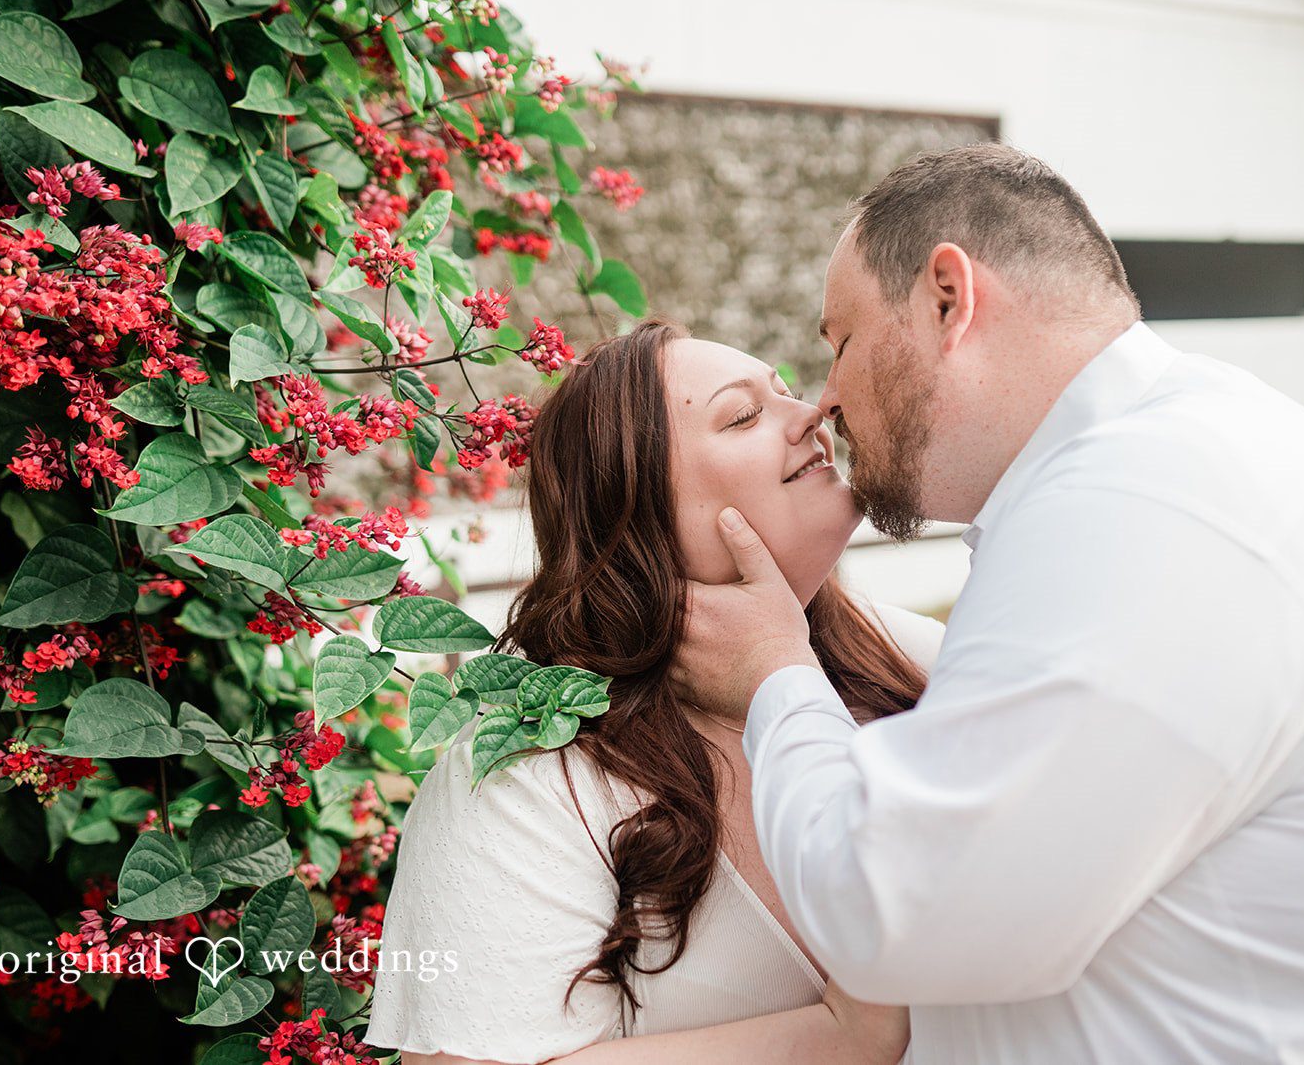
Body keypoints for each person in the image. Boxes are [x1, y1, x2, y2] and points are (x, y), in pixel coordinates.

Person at [669, 141, 1304, 1063]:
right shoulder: (1139, 473)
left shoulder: (1152, 501)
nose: (827, 399)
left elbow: (895, 913)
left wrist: (779, 679)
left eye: (842, 341)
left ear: (948, 299)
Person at [365, 320, 941, 1063]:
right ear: (638, 512)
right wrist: (847, 1038)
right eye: (743, 414)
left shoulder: (918, 664)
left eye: (786, 392)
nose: (814, 414)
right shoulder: (533, 777)